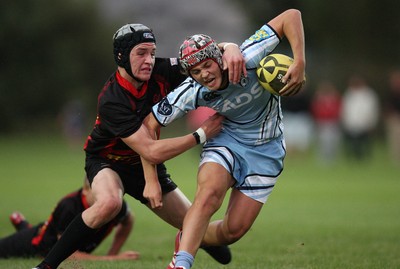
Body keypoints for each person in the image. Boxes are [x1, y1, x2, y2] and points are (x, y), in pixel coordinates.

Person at [33, 23, 245, 269]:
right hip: (108, 161)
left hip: (143, 164)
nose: (149, 60)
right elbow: (150, 150)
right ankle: (45, 266)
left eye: (152, 53)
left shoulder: (163, 69)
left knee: (198, 226)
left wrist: (229, 47)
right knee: (109, 203)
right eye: (141, 53)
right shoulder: (112, 100)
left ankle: (194, 242)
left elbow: (200, 55)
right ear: (122, 56)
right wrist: (201, 134)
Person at [142, 8, 306, 269]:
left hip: (267, 150)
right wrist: (150, 177)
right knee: (208, 196)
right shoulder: (193, 91)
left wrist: (299, 61)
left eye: (207, 65)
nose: (204, 75)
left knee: (233, 231)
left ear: (218, 58)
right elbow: (149, 124)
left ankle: (189, 236)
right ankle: (181, 263)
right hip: (225, 141)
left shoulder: (248, 55)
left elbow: (291, 15)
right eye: (196, 71)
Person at [1, 178, 139, 261]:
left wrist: (113, 252)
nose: (105, 195)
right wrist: (112, 259)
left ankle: (21, 223)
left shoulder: (115, 203)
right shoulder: (69, 206)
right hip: (35, 244)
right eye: (98, 190)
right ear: (85, 189)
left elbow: (128, 221)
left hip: (49, 230)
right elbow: (68, 255)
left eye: (109, 190)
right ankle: (23, 226)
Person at [341, 75, 380, 161]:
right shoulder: (349, 94)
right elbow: (345, 109)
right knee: (353, 143)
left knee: (366, 142)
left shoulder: (369, 95)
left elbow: (373, 110)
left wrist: (372, 122)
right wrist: (345, 121)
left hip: (365, 123)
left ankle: (365, 158)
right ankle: (354, 158)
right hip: (352, 123)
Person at [310, 80, 342, 165]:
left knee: (333, 141)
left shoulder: (335, 98)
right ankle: (322, 159)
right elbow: (315, 110)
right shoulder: (319, 99)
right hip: (321, 122)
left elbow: (338, 109)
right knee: (322, 141)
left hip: (332, 122)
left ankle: (332, 159)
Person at [384, 69, 400, 165]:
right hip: (394, 118)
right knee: (394, 139)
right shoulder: (391, 93)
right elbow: (388, 106)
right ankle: (396, 160)